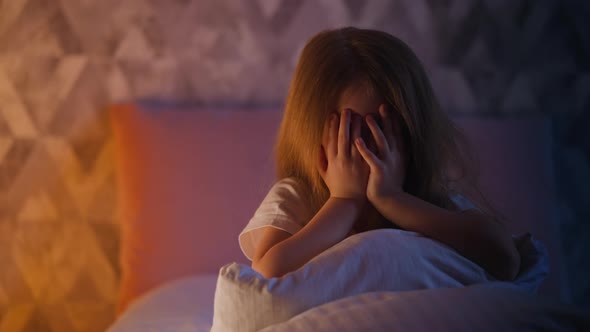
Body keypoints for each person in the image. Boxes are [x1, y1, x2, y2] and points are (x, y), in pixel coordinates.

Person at [238, 27, 520, 281]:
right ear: (314, 136)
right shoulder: (298, 197)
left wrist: (394, 200)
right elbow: (265, 274)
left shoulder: (424, 196)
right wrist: (343, 202)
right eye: (353, 135)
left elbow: (506, 260)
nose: (371, 153)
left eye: (386, 133)